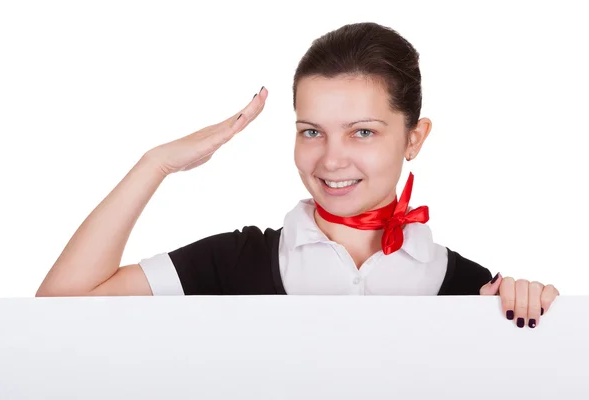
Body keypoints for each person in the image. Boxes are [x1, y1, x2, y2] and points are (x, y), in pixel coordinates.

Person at [36, 22, 559, 328]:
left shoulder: (476, 292)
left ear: (414, 138)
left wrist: (546, 319)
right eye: (312, 131)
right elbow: (58, 314)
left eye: (363, 132)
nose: (331, 160)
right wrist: (156, 164)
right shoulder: (232, 262)